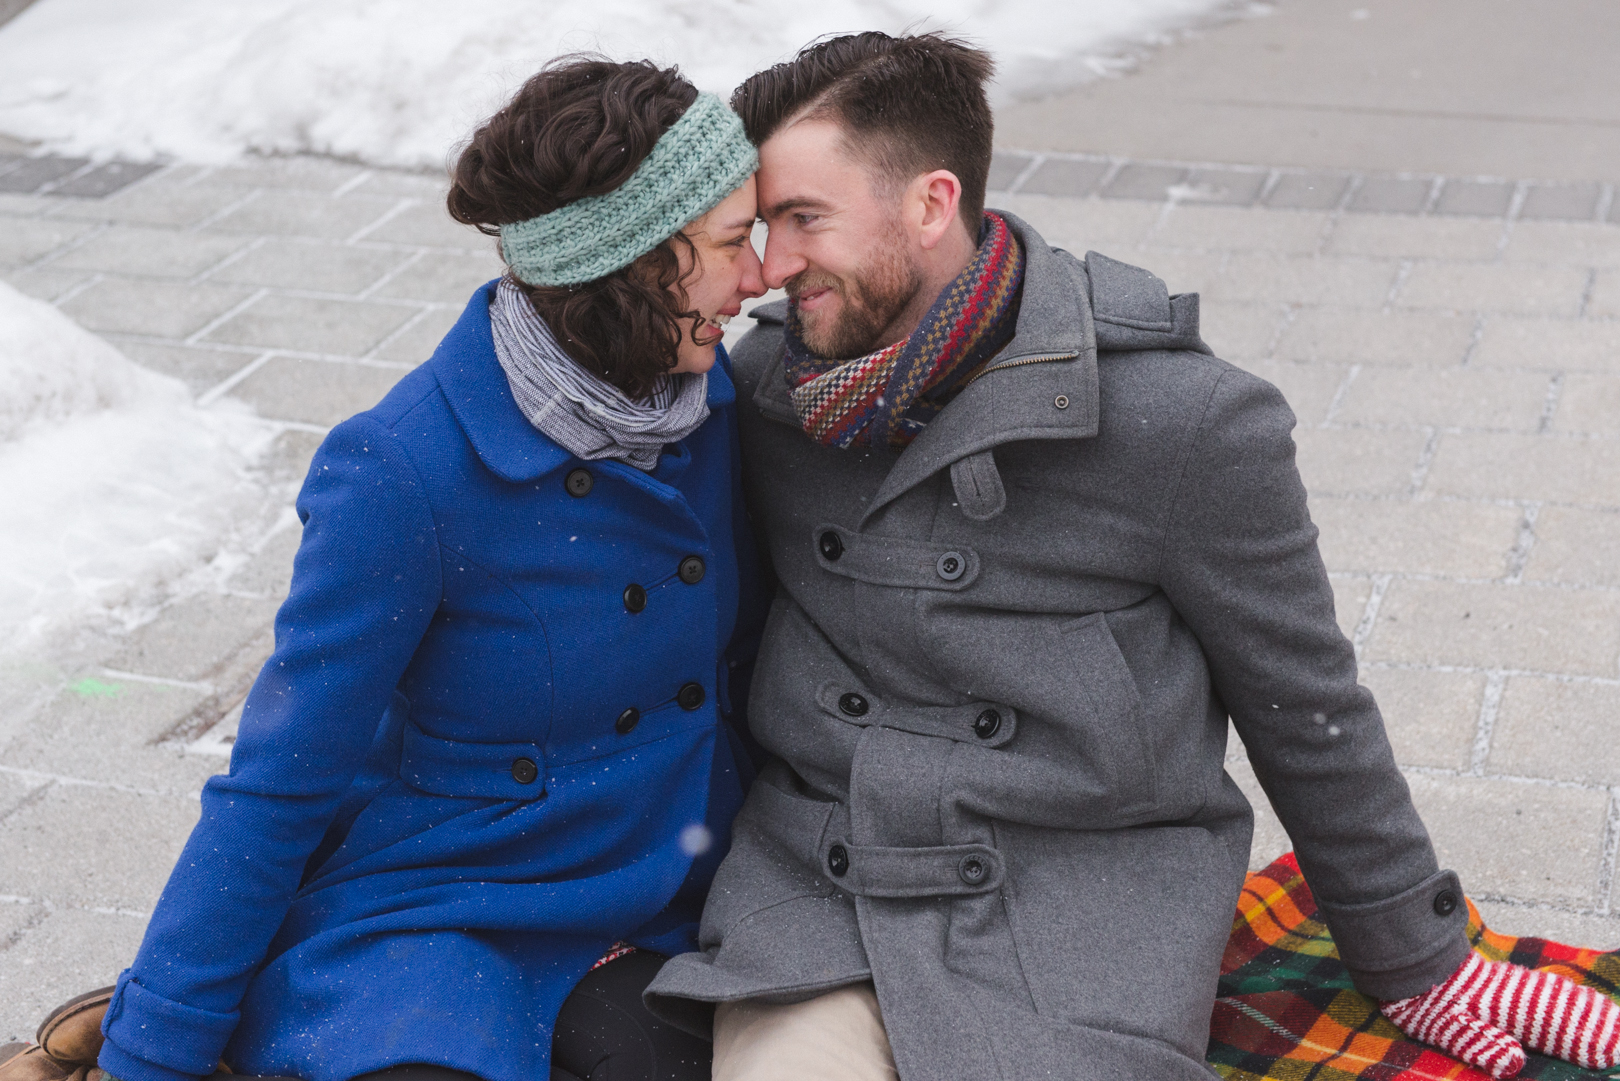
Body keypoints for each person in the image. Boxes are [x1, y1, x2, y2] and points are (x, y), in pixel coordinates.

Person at [643, 31, 1620, 1081]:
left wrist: (1422, 957)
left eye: (803, 220)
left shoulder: (1180, 422)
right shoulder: (771, 393)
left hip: (1073, 916)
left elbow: (1306, 703)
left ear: (930, 205)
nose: (769, 269)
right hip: (821, 896)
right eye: (763, 224)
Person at [3, 57, 767, 1081]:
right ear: (632, 261)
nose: (761, 275)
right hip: (440, 907)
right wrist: (153, 1052)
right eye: (731, 244)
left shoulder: (709, 408)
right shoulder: (404, 470)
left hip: (647, 896)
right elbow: (278, 783)